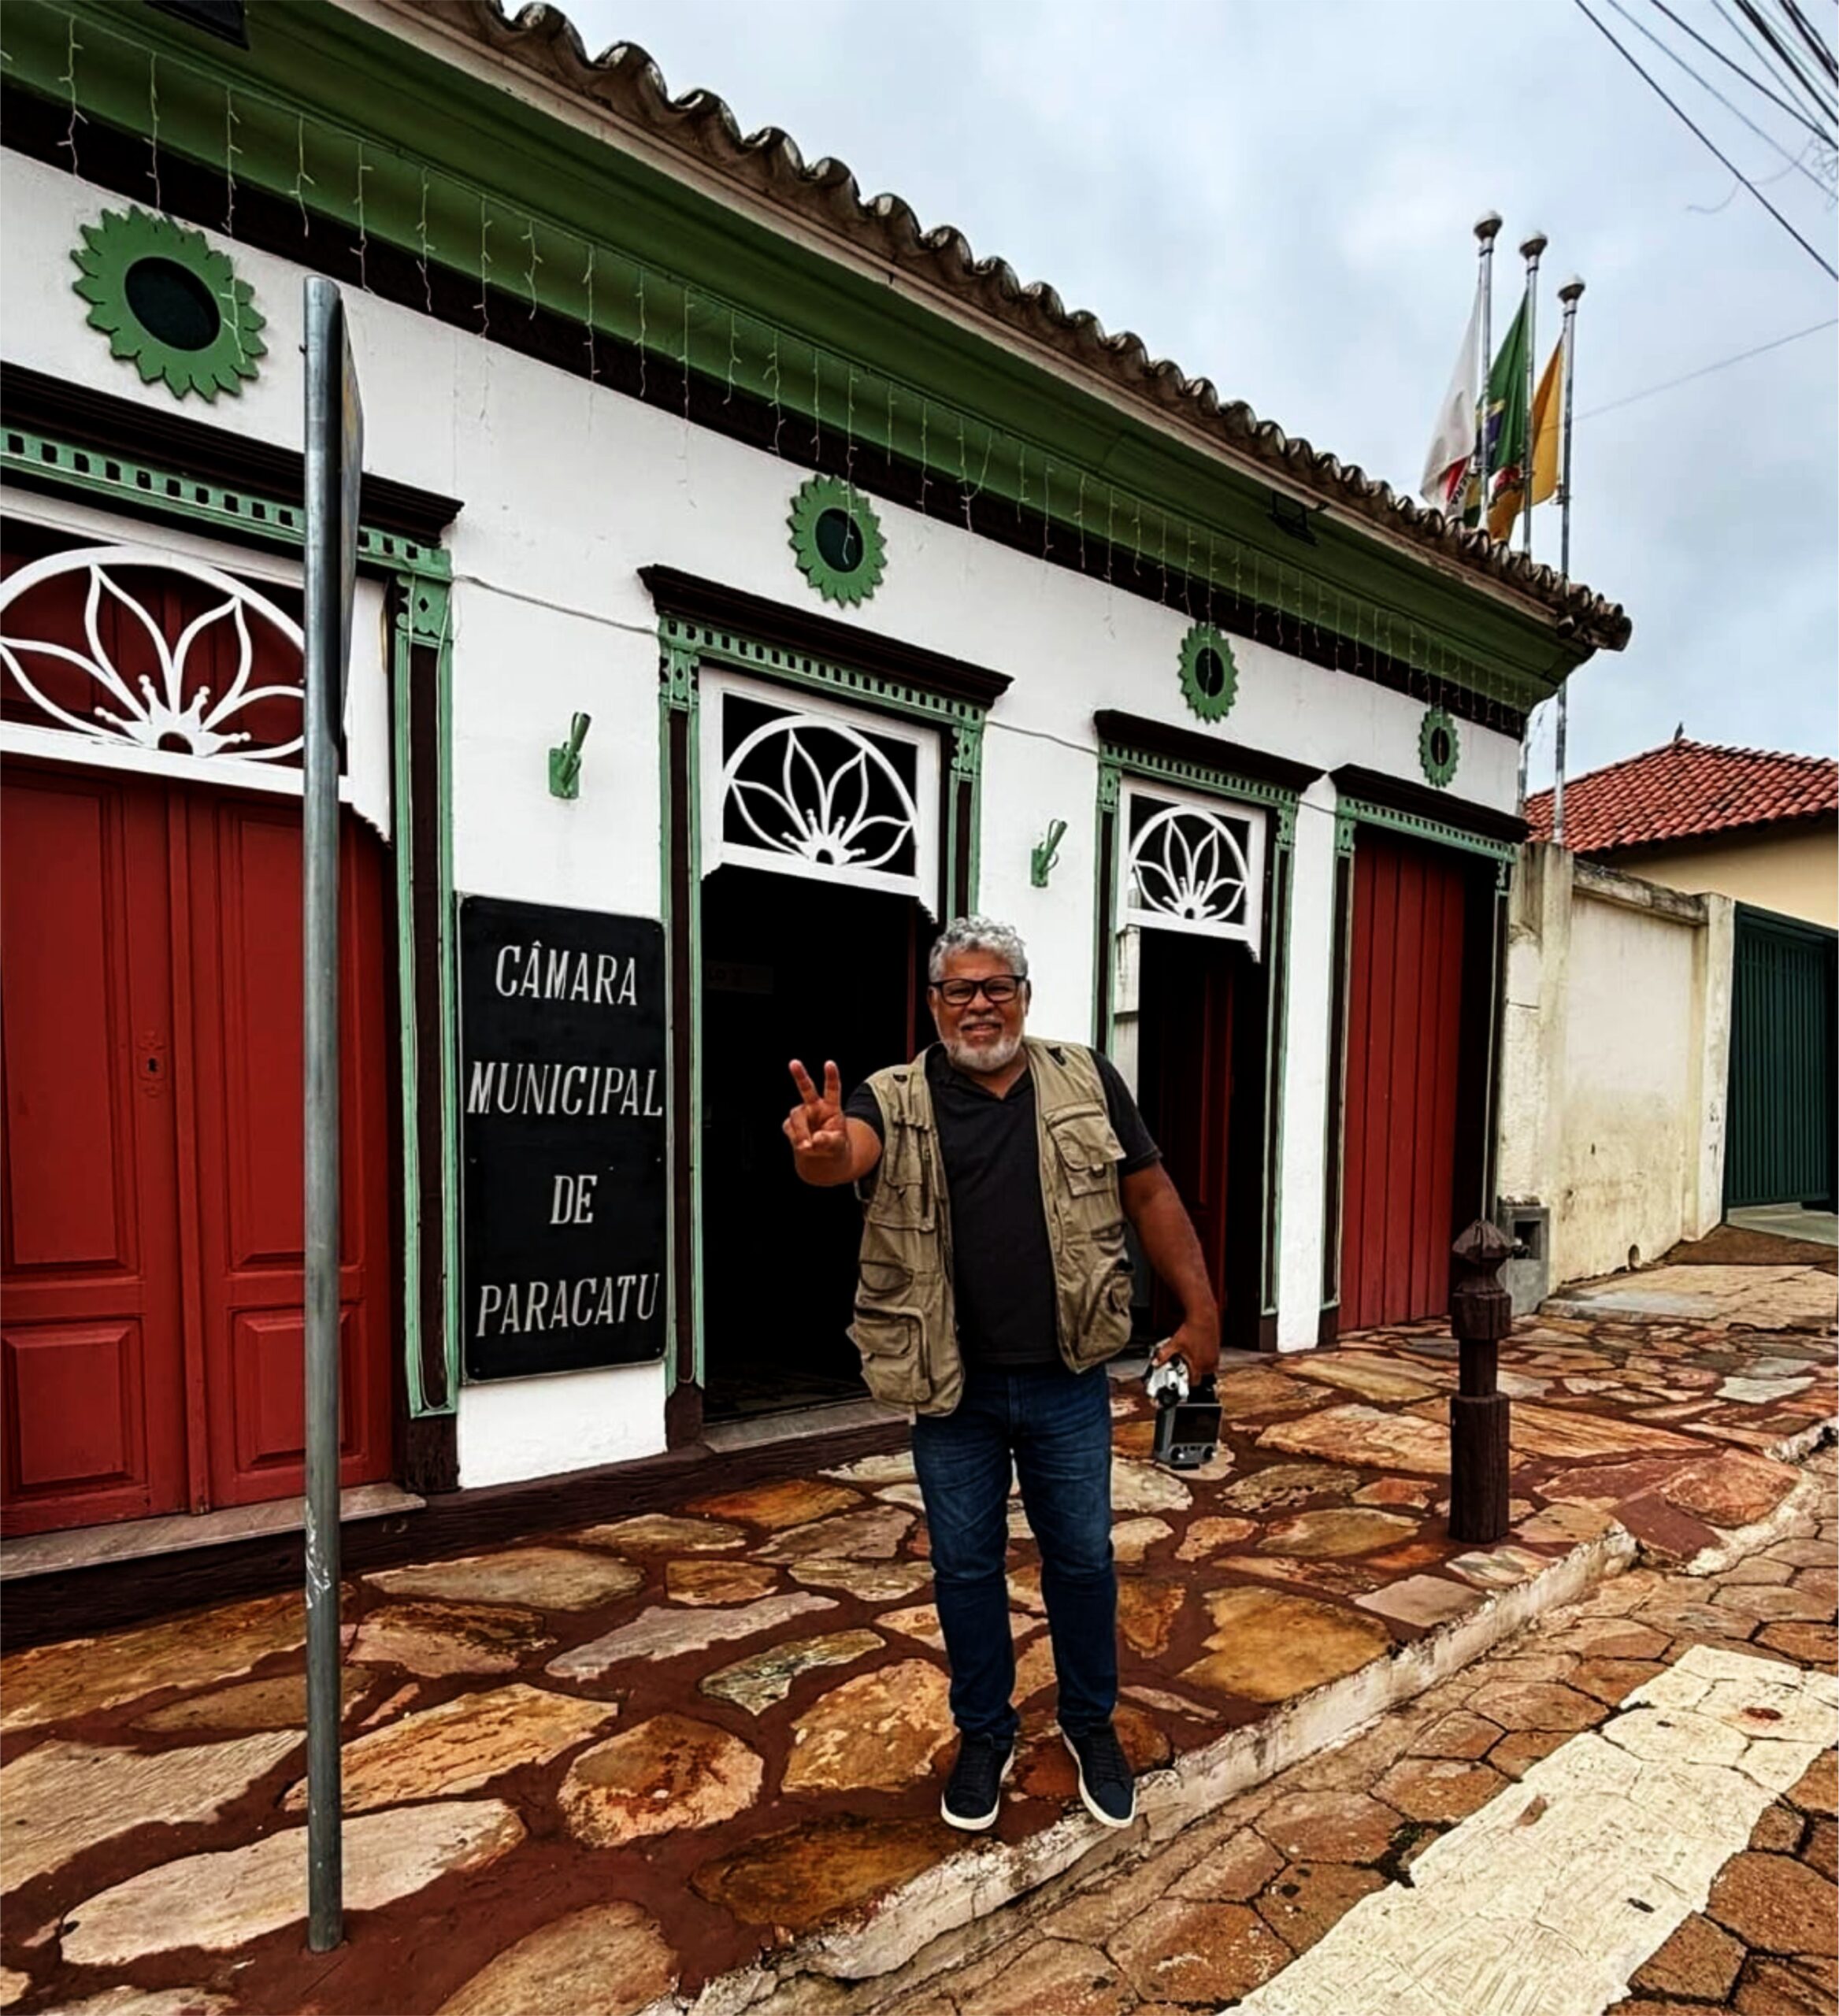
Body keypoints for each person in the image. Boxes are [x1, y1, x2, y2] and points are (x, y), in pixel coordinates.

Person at [782, 915, 1220, 1833]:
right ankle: (984, 1732)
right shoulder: (890, 1094)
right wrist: (821, 1155)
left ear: (1024, 994)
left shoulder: (1086, 1076)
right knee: (966, 1568)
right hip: (952, 1391)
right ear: (933, 1002)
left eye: (996, 986)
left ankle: (1088, 1722)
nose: (978, 1004)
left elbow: (1148, 1191)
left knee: (1083, 1561)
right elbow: (844, 1154)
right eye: (958, 989)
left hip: (1066, 1378)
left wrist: (1201, 1309)